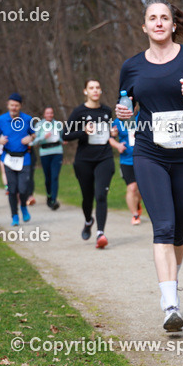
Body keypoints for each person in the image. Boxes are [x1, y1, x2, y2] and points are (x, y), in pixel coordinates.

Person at [115, 0, 183, 331]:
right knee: (164, 227)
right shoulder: (132, 66)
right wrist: (123, 112)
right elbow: (125, 104)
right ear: (144, 27)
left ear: (173, 25)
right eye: (152, 18)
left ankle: (172, 281)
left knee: (180, 229)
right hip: (148, 152)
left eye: (164, 18)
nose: (158, 22)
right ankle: (170, 305)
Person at [66, 81, 121, 247]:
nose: (95, 90)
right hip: (84, 160)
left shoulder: (106, 111)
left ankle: (100, 234)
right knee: (87, 198)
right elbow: (65, 135)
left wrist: (113, 133)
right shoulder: (79, 112)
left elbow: (109, 133)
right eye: (91, 88)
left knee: (101, 195)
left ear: (101, 90)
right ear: (85, 91)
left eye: (97, 87)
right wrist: (83, 131)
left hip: (104, 158)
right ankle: (88, 220)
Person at [0, 93, 35, 226]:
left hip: (24, 158)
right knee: (12, 189)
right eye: (12, 105)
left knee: (23, 188)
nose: (14, 108)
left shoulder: (27, 119)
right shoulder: (1, 120)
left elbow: (35, 133)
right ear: (8, 105)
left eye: (16, 105)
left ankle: (23, 206)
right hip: (9, 158)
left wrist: (30, 138)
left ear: (20, 106)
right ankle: (15, 216)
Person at [111, 114, 142, 225]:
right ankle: (135, 215)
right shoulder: (117, 121)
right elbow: (110, 138)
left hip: (143, 159)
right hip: (126, 160)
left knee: (141, 189)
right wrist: (118, 145)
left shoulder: (143, 116)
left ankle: (137, 203)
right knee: (132, 187)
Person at [35, 106, 64, 210]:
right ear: (44, 114)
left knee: (55, 177)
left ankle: (54, 200)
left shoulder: (58, 124)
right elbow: (35, 141)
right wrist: (44, 137)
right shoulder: (39, 125)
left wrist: (63, 140)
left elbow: (60, 136)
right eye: (47, 113)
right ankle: (49, 196)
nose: (50, 115)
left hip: (57, 152)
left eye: (51, 113)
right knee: (48, 178)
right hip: (45, 153)